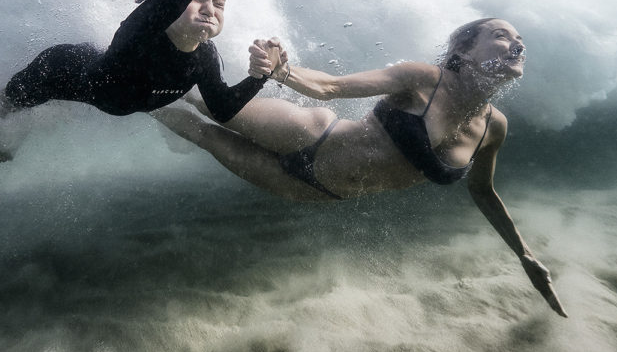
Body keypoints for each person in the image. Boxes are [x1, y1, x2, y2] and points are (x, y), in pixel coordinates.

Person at [153, 18, 567, 317]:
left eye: (519, 39)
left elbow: (483, 192)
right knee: (207, 104)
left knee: (200, 133)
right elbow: (331, 87)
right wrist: (282, 70)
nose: (516, 44)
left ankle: (141, 99)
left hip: (309, 189)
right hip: (307, 134)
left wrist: (525, 255)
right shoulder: (423, 78)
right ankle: (146, 61)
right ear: (464, 50)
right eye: (500, 35)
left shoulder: (495, 127)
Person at [0, 0, 275, 162]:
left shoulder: (204, 57)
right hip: (59, 71)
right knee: (9, 104)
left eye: (219, 2)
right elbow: (160, 8)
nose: (210, 9)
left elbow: (222, 108)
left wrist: (260, 76)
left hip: (120, 93)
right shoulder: (141, 33)